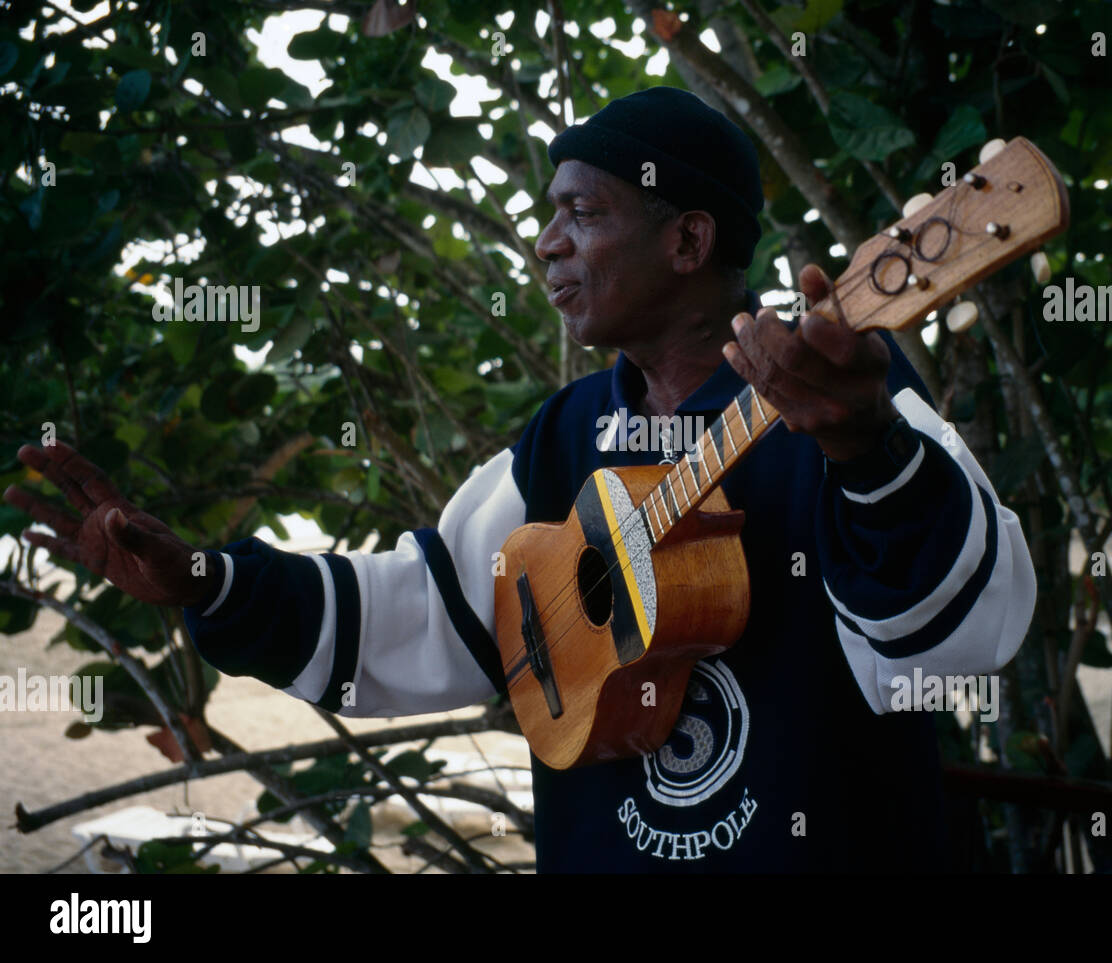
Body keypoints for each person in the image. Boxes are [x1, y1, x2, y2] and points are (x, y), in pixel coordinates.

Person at [5, 86, 1035, 872]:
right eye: (548, 214)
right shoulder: (566, 436)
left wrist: (866, 452)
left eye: (581, 212)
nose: (546, 243)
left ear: (688, 239)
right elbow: (424, 612)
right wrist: (205, 585)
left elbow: (963, 639)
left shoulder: (840, 390)